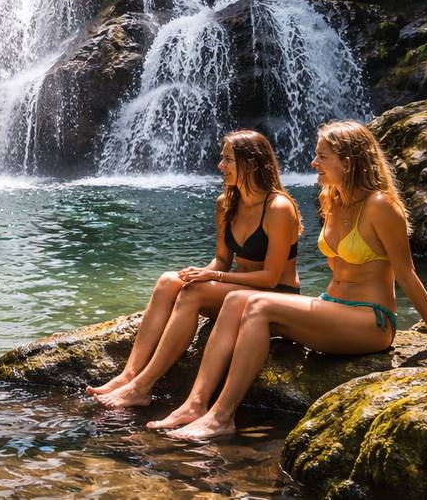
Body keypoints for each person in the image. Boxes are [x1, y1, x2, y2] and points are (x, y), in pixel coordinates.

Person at [153, 120, 427, 441]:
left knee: (256, 303)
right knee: (236, 299)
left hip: (370, 320)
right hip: (332, 307)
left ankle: (221, 417)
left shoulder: (380, 206)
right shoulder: (332, 199)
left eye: (322, 156)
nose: (313, 162)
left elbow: (407, 273)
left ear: (349, 160)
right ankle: (194, 404)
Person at [89, 130, 302, 408]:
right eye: (221, 159)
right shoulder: (226, 203)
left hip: (276, 295)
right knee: (169, 281)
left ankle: (142, 387)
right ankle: (128, 374)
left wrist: (212, 277)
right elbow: (221, 261)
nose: (220, 166)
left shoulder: (279, 207)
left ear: (251, 164)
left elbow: (271, 278)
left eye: (228, 160)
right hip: (238, 291)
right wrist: (198, 272)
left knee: (194, 293)